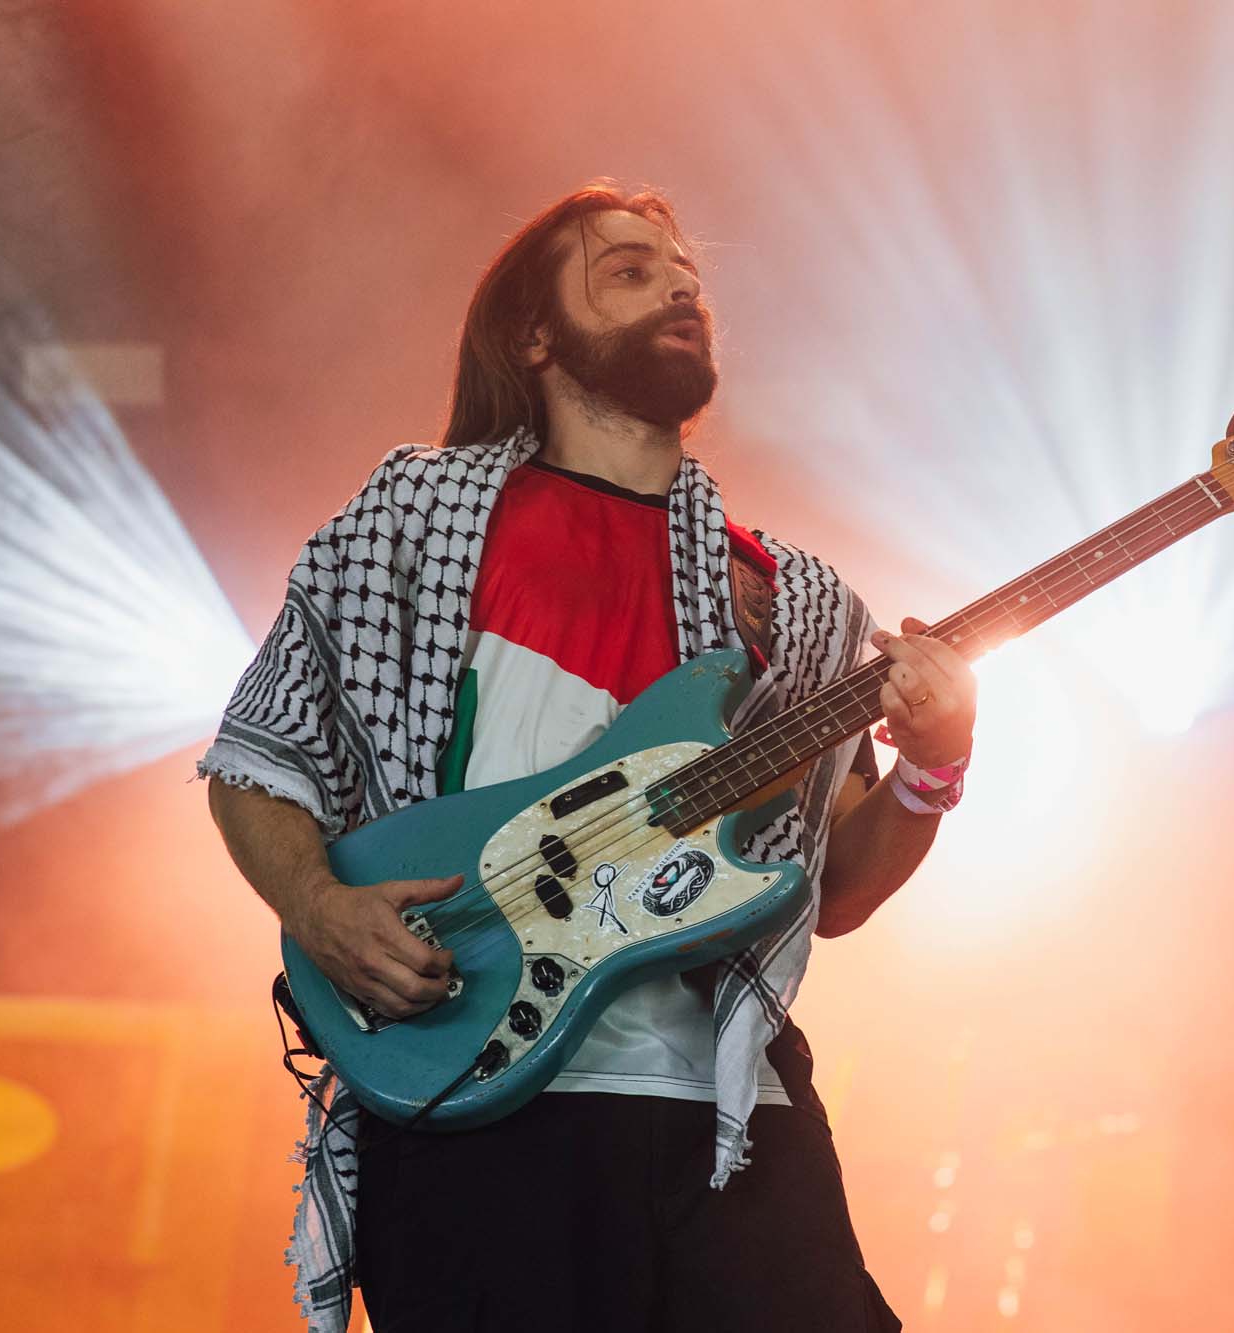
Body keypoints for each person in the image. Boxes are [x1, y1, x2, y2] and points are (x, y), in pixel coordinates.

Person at [201, 181, 978, 1333]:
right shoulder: (418, 523)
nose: (678, 288)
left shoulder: (796, 600)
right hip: (476, 1082)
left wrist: (932, 768)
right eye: (628, 269)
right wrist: (318, 906)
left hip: (729, 1111)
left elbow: (839, 893)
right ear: (534, 334)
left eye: (687, 276)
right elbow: (255, 757)